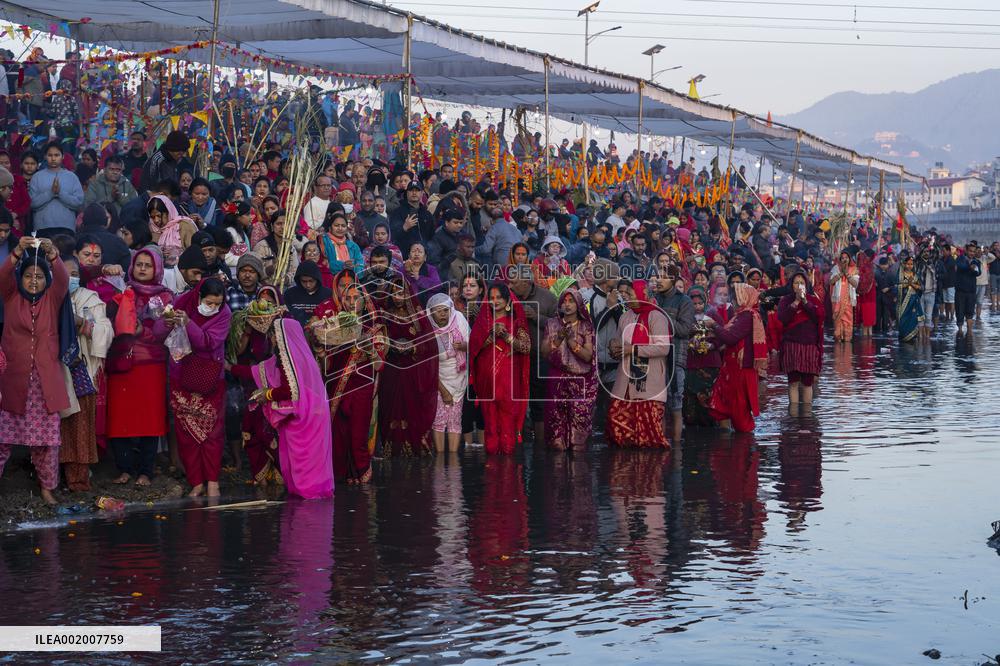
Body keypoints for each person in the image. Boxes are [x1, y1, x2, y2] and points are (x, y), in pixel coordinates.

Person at [0, 238, 68, 504]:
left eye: (39, 277)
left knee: (47, 442)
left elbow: (61, 277)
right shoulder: (10, 296)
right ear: (21, 279)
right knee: (1, 440)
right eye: (28, 276)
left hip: (44, 382)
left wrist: (52, 253)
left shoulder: (53, 298)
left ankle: (47, 489)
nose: (33, 281)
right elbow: (3, 275)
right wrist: (17, 252)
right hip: (11, 380)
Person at [105, 249, 174, 487]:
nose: (143, 269)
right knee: (119, 417)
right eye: (139, 264)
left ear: (157, 269)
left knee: (149, 420)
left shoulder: (165, 297)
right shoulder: (123, 291)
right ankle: (124, 469)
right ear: (132, 266)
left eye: (148, 265)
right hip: (122, 363)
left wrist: (140, 332)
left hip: (151, 365)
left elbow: (163, 330)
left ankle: (146, 471)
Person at [156, 278, 232, 497]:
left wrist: (188, 323)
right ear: (198, 296)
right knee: (186, 432)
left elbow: (208, 342)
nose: (213, 308)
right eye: (209, 302)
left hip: (210, 379)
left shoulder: (224, 313)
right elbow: (159, 331)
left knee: (212, 432)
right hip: (182, 378)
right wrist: (169, 322)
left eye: (217, 303)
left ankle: (212, 480)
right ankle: (196, 481)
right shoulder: (182, 302)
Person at [251, 318, 335, 499]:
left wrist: (267, 394)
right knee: (313, 460)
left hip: (305, 416)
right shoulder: (300, 355)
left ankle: (307, 498)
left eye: (274, 335)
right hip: (314, 412)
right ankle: (312, 496)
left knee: (305, 461)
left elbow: (291, 390)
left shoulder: (287, 359)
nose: (272, 339)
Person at [59, 256, 113, 491]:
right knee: (57, 426)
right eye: (66, 273)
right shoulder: (47, 298)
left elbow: (106, 330)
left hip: (81, 369)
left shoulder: (89, 299)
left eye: (74, 273)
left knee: (80, 426)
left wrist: (82, 325)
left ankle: (79, 479)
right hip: (55, 370)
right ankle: (53, 477)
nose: (71, 278)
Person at [376, 277, 439, 456]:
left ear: (408, 293)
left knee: (410, 407)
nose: (398, 296)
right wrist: (388, 345)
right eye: (394, 292)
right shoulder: (384, 316)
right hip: (390, 371)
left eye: (401, 292)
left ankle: (412, 447)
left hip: (412, 371)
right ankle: (391, 448)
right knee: (389, 408)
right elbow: (378, 340)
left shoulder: (418, 317)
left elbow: (430, 345)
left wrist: (413, 347)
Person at [606, 280, 671, 448]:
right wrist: (614, 347)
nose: (627, 297)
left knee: (649, 430)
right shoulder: (625, 316)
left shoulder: (657, 317)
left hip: (650, 380)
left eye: (631, 294)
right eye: (626, 294)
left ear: (643, 294)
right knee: (617, 421)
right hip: (625, 380)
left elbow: (663, 348)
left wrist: (632, 350)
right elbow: (619, 342)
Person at [468, 282, 530, 455]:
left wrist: (506, 336)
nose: (495, 301)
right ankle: (493, 469)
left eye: (499, 298)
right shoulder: (482, 324)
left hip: (508, 382)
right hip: (487, 382)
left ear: (508, 300)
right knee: (490, 424)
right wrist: (491, 335)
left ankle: (509, 470)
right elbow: (474, 350)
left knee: (507, 421)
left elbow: (526, 347)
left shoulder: (516, 323)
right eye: (491, 298)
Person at [707, 283, 767, 432]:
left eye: (736, 297)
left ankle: (745, 446)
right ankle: (731, 442)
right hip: (734, 367)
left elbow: (731, 337)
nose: (733, 301)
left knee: (739, 410)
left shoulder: (747, 316)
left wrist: (713, 325)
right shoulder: (740, 315)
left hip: (742, 369)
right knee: (728, 404)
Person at [541, 288, 596, 451]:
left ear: (578, 304)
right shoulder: (551, 324)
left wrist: (571, 342)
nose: (567, 304)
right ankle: (556, 462)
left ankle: (577, 459)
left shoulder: (586, 326)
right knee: (555, 420)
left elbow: (587, 357)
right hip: (556, 377)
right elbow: (544, 352)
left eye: (571, 301)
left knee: (578, 421)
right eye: (564, 301)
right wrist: (558, 338)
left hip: (580, 380)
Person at [427, 293, 470, 453]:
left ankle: (453, 463)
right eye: (438, 311)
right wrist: (443, 391)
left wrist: (463, 346)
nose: (443, 314)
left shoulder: (458, 318)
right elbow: (428, 366)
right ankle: (439, 461)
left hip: (459, 376)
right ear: (431, 312)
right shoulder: (427, 328)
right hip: (437, 379)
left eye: (445, 310)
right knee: (438, 420)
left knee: (454, 420)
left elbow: (471, 343)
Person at [776, 271, 824, 407]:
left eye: (802, 283)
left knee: (808, 383)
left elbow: (819, 317)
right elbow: (783, 318)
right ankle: (794, 413)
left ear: (806, 285)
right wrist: (796, 301)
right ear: (791, 285)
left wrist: (805, 301)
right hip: (791, 345)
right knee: (793, 382)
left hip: (809, 345)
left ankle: (807, 415)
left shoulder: (813, 300)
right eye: (796, 283)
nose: (799, 285)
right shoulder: (785, 300)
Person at [683, 286, 722, 427]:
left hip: (710, 365)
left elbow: (722, 336)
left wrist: (711, 346)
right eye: (694, 304)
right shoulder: (684, 317)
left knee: (708, 403)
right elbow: (678, 335)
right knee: (690, 405)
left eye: (700, 303)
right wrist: (689, 343)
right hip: (691, 365)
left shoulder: (713, 315)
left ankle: (712, 438)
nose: (698, 307)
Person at [29, 141, 85, 238]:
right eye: (50, 155)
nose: (53, 158)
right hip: (42, 228)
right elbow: (31, 203)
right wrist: (50, 193)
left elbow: (79, 203)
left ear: (63, 156)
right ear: (45, 157)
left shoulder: (72, 177)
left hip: (66, 228)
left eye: (57, 155)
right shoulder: (37, 177)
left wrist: (60, 193)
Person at [283, 260, 331, 325]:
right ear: (299, 280)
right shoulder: (289, 294)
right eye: (304, 281)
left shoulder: (328, 294)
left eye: (311, 281)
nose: (308, 285)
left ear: (317, 279)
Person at [829, 250, 858, 342]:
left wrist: (847, 274)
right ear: (840, 259)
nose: (844, 260)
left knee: (847, 318)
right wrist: (841, 273)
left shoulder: (854, 269)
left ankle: (847, 338)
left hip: (848, 298)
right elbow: (831, 282)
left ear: (849, 259)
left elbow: (855, 284)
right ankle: (838, 337)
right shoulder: (835, 268)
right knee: (837, 317)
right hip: (837, 299)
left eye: (846, 258)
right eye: (842, 258)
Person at [895, 255, 923, 343]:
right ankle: (904, 336)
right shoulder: (900, 275)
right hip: (903, 301)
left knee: (912, 319)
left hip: (913, 301)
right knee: (903, 320)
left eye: (911, 264)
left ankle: (911, 336)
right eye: (908, 264)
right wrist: (907, 284)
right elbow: (897, 286)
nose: (910, 266)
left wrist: (912, 284)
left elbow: (920, 287)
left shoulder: (915, 275)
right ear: (904, 264)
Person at [954, 244, 980, 335]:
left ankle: (969, 331)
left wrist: (974, 270)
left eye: (973, 251)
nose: (972, 253)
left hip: (971, 291)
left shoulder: (976, 261)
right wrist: (969, 267)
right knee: (959, 311)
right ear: (966, 251)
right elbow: (960, 267)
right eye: (970, 251)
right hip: (960, 291)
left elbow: (978, 272)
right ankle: (960, 330)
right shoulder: (960, 259)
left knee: (970, 312)